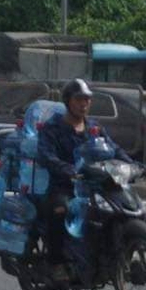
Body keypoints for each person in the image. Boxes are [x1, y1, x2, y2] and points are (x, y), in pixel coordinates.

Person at [38, 78, 110, 277]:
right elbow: (46, 155)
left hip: (95, 185)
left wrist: (135, 165)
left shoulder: (94, 128)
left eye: (87, 99)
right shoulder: (53, 128)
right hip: (64, 186)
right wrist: (68, 170)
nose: (83, 104)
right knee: (60, 210)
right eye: (79, 99)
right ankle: (55, 263)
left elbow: (113, 149)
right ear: (68, 101)